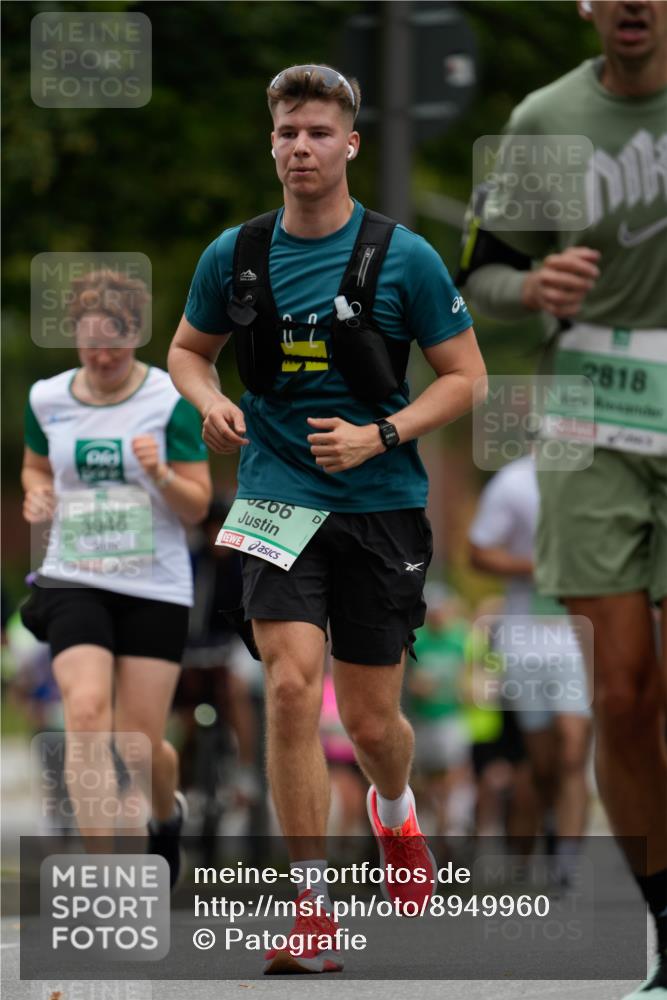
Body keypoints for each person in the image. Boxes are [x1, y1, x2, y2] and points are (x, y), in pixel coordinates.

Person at [168, 64, 486, 973]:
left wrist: (381, 431)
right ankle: (310, 909)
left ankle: (394, 813)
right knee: (295, 689)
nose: (299, 147)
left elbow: (468, 379)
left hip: (381, 504)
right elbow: (190, 351)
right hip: (275, 493)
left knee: (376, 719)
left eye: (316, 133)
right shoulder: (235, 253)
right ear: (270, 145)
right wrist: (209, 401)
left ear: (349, 144)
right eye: (285, 133)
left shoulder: (405, 257)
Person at [459, 4, 667, 995]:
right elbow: (482, 276)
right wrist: (534, 283)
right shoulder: (544, 120)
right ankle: (666, 928)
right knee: (621, 699)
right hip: (590, 415)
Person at [21, 269, 212, 886]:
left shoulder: (168, 400)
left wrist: (159, 475)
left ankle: (166, 809)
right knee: (84, 710)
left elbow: (197, 506)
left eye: (117, 342)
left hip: (153, 582)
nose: (103, 355)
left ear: (137, 335)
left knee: (139, 743)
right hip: (74, 574)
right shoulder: (47, 398)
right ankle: (102, 876)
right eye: (90, 343)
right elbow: (34, 468)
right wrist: (38, 496)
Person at [469, 454, 592, 879]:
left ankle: (567, 866)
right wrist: (537, 569)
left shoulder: (601, 479)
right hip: (525, 639)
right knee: (542, 764)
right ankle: (536, 837)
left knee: (574, 749)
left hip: (580, 636)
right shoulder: (514, 482)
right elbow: (477, 552)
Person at [406, 583, 475, 836]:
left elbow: (473, 674)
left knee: (455, 771)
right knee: (428, 778)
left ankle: (453, 826)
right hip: (424, 718)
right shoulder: (418, 640)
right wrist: (418, 686)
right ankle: (435, 821)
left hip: (452, 716)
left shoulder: (461, 638)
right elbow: (412, 682)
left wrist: (465, 685)